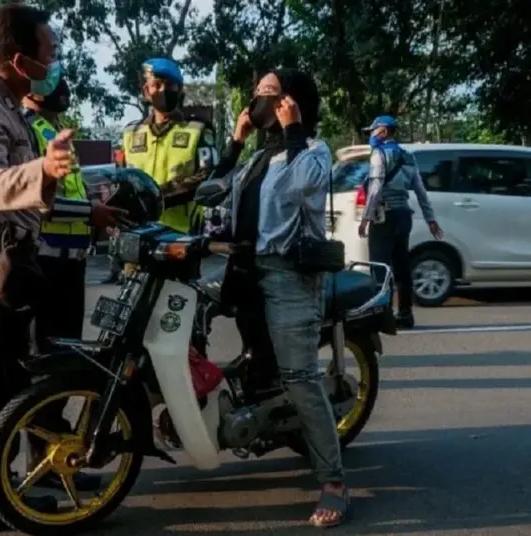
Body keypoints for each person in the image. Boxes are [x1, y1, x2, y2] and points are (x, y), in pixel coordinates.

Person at [0, 5, 122, 533]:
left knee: (14, 374)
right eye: (50, 53)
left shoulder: (13, 108)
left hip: (8, 255)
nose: (56, 61)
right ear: (22, 61)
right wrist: (42, 169)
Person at [198, 69, 351, 527]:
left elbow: (305, 186)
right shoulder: (254, 158)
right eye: (257, 96)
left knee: (300, 376)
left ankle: (334, 482)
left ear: (293, 102)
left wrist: (295, 130)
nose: (260, 102)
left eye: (271, 95)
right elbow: (210, 194)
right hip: (245, 271)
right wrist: (235, 142)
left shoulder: (312, 150)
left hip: (289, 276)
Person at [20, 78, 103, 491]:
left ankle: (53, 452)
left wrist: (91, 210)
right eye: (47, 78)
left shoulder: (53, 129)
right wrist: (93, 211)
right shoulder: (28, 127)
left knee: (64, 357)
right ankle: (45, 459)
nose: (59, 85)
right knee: (45, 363)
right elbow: (39, 197)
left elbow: (71, 187)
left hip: (70, 260)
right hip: (44, 261)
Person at [358, 115, 443, 329]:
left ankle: (381, 315)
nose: (371, 135)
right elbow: (421, 191)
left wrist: (366, 218)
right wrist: (431, 219)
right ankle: (405, 314)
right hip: (404, 216)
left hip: (384, 216)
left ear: (384, 131)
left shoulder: (379, 154)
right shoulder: (408, 157)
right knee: (401, 266)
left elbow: (376, 188)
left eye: (373, 131)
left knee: (379, 267)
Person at [121, 57, 219, 234]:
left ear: (180, 90)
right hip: (136, 233)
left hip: (180, 236)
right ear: (146, 91)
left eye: (170, 85)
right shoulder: (131, 133)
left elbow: (206, 176)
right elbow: (120, 179)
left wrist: (157, 196)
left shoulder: (198, 130)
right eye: (156, 85)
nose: (164, 90)